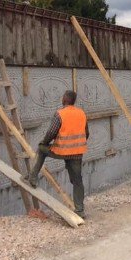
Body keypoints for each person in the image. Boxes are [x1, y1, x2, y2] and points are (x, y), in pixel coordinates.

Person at [27, 90, 89, 218]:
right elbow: (86, 133)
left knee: (41, 149)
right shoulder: (82, 113)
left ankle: (33, 177)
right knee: (77, 181)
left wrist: (44, 142)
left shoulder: (60, 114)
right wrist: (77, 145)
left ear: (65, 99)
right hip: (77, 152)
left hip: (62, 150)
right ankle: (80, 210)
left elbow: (51, 133)